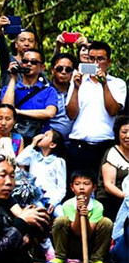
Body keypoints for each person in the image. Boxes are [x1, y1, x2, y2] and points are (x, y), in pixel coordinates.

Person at [67, 41, 126, 178]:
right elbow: (71, 114)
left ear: (109, 62)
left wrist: (104, 84)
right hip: (79, 145)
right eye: (91, 59)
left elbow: (113, 110)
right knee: (77, 188)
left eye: (100, 59)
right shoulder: (77, 81)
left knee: (103, 189)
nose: (95, 63)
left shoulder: (117, 84)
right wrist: (76, 87)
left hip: (105, 146)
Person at [46, 171, 114, 263]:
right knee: (60, 221)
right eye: (77, 184)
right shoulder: (68, 205)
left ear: (94, 187)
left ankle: (96, 259)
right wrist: (79, 212)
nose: (81, 188)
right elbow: (77, 232)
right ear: (72, 187)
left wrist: (85, 216)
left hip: (90, 244)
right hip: (72, 245)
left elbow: (88, 233)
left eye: (86, 184)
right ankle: (60, 256)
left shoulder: (97, 206)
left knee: (106, 222)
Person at [2, 48, 58, 140]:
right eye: (25, 61)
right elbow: (6, 109)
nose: (28, 64)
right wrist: (12, 78)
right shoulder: (10, 89)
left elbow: (50, 113)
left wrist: (19, 112)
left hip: (40, 139)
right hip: (15, 139)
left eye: (34, 62)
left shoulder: (49, 91)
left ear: (42, 68)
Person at [100, 116, 129, 221]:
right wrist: (126, 196)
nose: (127, 136)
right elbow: (108, 185)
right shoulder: (112, 153)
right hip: (113, 200)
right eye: (124, 132)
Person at [48, 53, 78, 140]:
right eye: (59, 68)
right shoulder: (44, 91)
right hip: (49, 143)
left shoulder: (79, 91)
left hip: (73, 143)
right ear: (52, 70)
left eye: (68, 69)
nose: (63, 72)